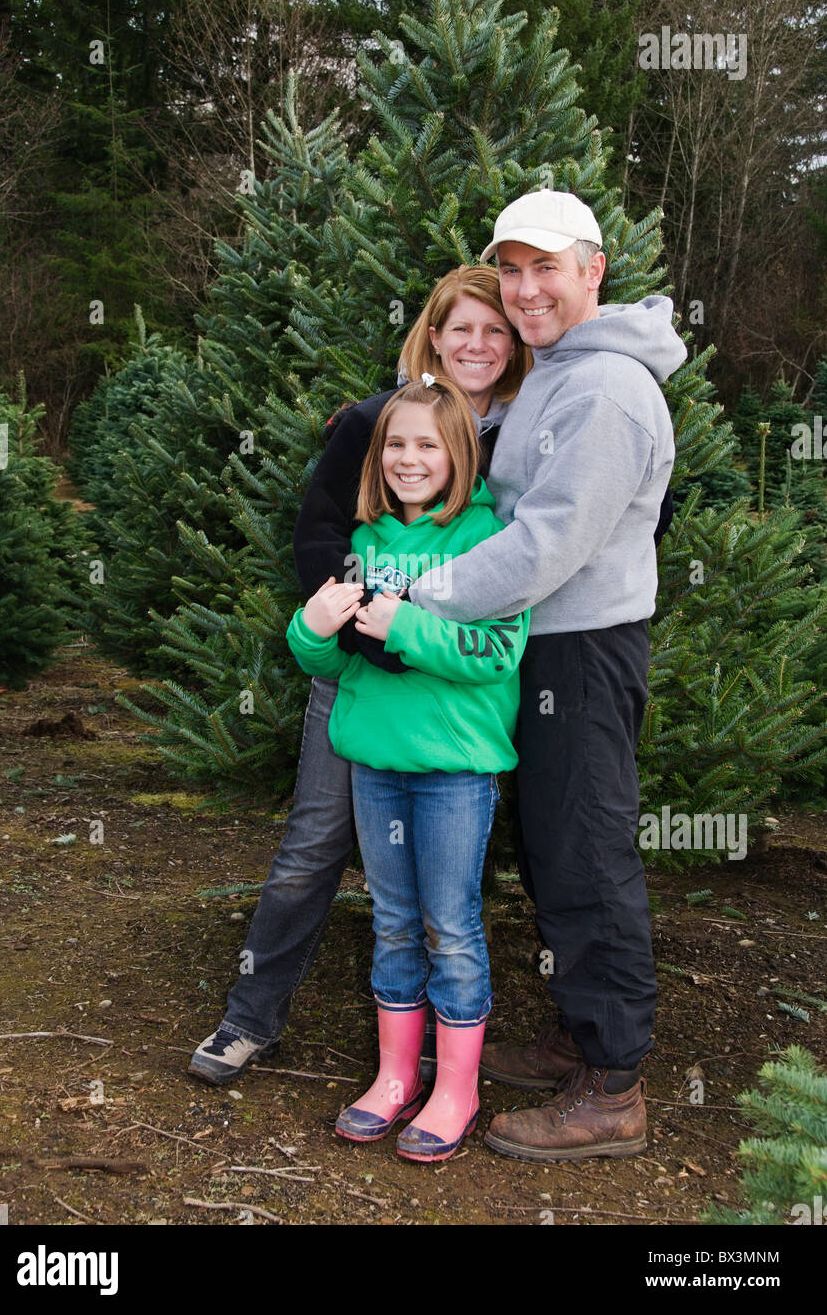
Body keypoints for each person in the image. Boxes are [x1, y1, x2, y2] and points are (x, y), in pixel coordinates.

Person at [188, 266, 531, 1085]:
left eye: (496, 331)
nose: (477, 345)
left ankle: (434, 1050)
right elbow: (320, 534)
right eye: (461, 329)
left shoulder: (527, 430)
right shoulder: (378, 421)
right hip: (358, 674)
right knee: (312, 848)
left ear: (515, 345)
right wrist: (368, 633)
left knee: (444, 891)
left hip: (454, 701)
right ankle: (250, 1018)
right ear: (432, 336)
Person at [407, 190, 687, 1161]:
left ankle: (612, 1086)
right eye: (510, 269)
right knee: (550, 843)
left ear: (592, 272)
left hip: (580, 645)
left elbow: (545, 540)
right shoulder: (563, 372)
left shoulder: (604, 388)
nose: (524, 290)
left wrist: (418, 598)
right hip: (544, 643)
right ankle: (580, 1034)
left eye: (545, 269)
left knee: (585, 850)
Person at [286, 377, 530, 1160]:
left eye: (427, 444)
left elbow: (496, 653)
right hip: (375, 766)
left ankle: (455, 1088)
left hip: (454, 771)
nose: (408, 459)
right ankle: (394, 1077)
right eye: (395, 444)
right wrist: (310, 629)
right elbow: (332, 660)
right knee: (391, 921)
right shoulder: (363, 543)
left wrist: (408, 627)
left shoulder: (488, 545)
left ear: (459, 453)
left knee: (448, 927)